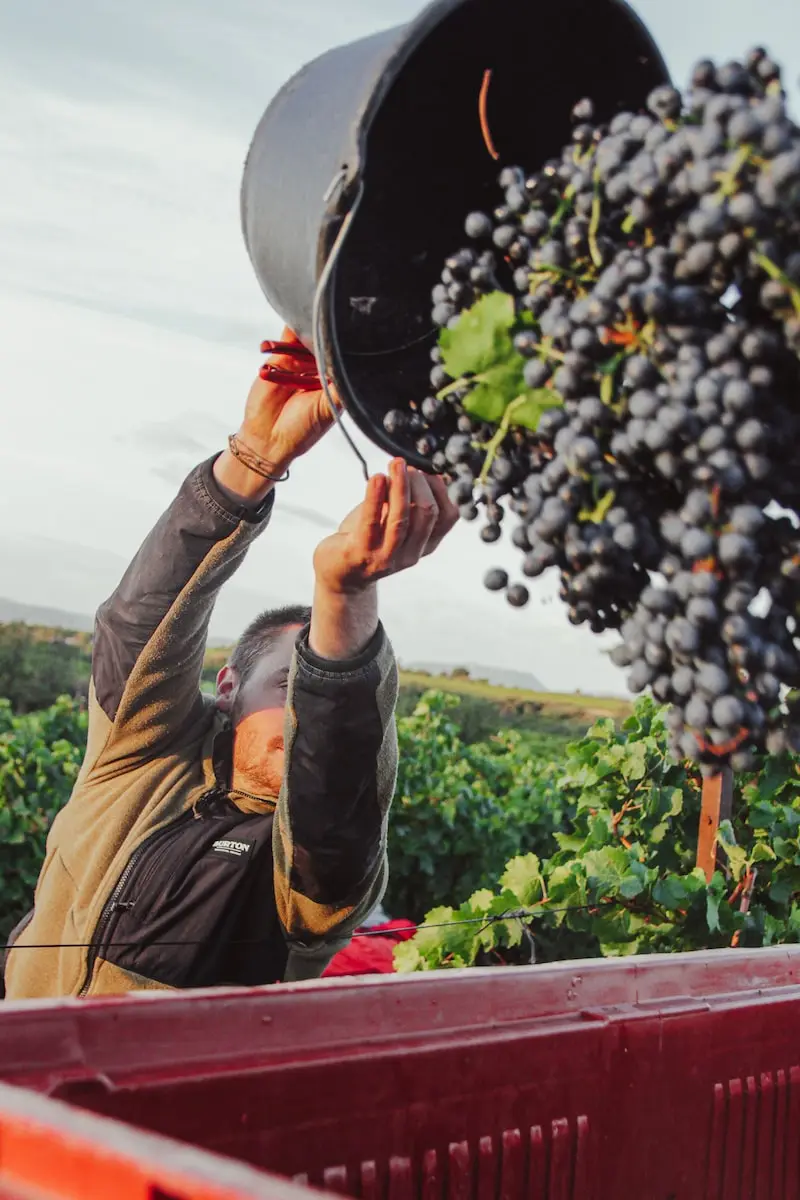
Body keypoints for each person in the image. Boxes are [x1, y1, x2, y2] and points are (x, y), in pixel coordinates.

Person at [3, 332, 458, 999]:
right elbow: (135, 627)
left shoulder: (307, 880)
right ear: (228, 687)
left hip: (120, 1107)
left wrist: (345, 593)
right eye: (287, 685)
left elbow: (333, 788)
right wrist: (253, 457)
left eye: (319, 695)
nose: (305, 718)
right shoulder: (136, 758)